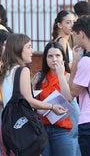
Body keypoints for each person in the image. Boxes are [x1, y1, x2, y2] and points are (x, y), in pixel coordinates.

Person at [0, 33, 67, 153]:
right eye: (29, 47)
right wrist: (52, 107)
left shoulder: (5, 70)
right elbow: (29, 100)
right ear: (18, 49)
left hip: (7, 127)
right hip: (23, 128)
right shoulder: (22, 70)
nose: (32, 51)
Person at [32, 41, 74, 156]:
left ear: (63, 58)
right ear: (45, 58)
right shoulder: (39, 77)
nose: (54, 59)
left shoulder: (68, 76)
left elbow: (68, 99)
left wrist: (60, 75)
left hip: (61, 129)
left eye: (57, 55)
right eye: (50, 56)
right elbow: (31, 102)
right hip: (41, 129)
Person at [51, 10, 81, 156]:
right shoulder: (61, 41)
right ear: (59, 24)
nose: (71, 25)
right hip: (65, 88)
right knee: (74, 129)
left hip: (64, 87)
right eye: (67, 22)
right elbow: (65, 67)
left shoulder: (64, 40)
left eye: (73, 22)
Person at [69, 15, 90, 156]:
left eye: (75, 35)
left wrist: (75, 61)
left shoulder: (86, 61)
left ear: (81, 34)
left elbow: (72, 91)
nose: (74, 39)